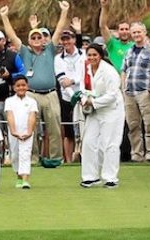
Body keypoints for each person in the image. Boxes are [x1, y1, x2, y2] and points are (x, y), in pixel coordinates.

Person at [0, 2, 70, 167]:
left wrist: (64, 12)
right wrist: (4, 17)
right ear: (29, 40)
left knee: (54, 127)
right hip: (31, 94)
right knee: (30, 126)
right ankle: (32, 158)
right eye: (34, 37)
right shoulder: (24, 51)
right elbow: (12, 36)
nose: (37, 40)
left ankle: (55, 158)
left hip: (51, 93)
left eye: (39, 37)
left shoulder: (49, 50)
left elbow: (59, 30)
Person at [76, 44, 125, 188]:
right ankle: (90, 176)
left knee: (109, 143)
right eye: (89, 55)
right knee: (89, 141)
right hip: (94, 109)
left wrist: (93, 102)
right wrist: (84, 99)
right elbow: (82, 87)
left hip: (112, 110)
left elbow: (112, 95)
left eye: (94, 55)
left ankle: (110, 177)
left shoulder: (109, 71)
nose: (92, 58)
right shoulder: (85, 68)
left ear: (101, 56)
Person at [121, 22, 150, 163]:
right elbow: (124, 70)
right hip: (129, 93)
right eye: (134, 33)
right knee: (133, 125)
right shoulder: (129, 51)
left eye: (139, 32)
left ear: (144, 33)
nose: (137, 35)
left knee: (149, 124)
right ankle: (137, 154)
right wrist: (123, 88)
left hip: (145, 92)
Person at [54, 29, 84, 163]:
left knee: (85, 129)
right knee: (68, 131)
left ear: (74, 40)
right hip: (66, 98)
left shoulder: (83, 55)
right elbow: (62, 79)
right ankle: (69, 161)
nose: (66, 42)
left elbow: (83, 75)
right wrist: (73, 96)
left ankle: (85, 158)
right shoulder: (58, 58)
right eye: (63, 39)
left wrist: (73, 81)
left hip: (84, 96)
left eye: (69, 39)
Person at [4, 75, 38, 189]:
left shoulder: (32, 101)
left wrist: (29, 132)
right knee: (15, 155)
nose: (21, 88)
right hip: (14, 132)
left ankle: (25, 180)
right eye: (18, 86)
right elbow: (10, 116)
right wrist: (14, 132)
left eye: (23, 85)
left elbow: (32, 116)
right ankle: (18, 177)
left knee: (25, 154)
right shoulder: (9, 101)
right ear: (14, 88)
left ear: (27, 86)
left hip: (27, 132)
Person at [0, 29, 26, 120]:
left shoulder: (13, 55)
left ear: (4, 41)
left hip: (11, 96)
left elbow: (23, 72)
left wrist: (10, 75)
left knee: (12, 124)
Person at [99, 0, 133, 72]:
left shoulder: (134, 46)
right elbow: (102, 26)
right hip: (114, 79)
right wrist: (105, 8)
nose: (124, 32)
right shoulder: (112, 44)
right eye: (122, 29)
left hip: (129, 79)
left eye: (127, 29)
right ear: (117, 32)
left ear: (130, 31)